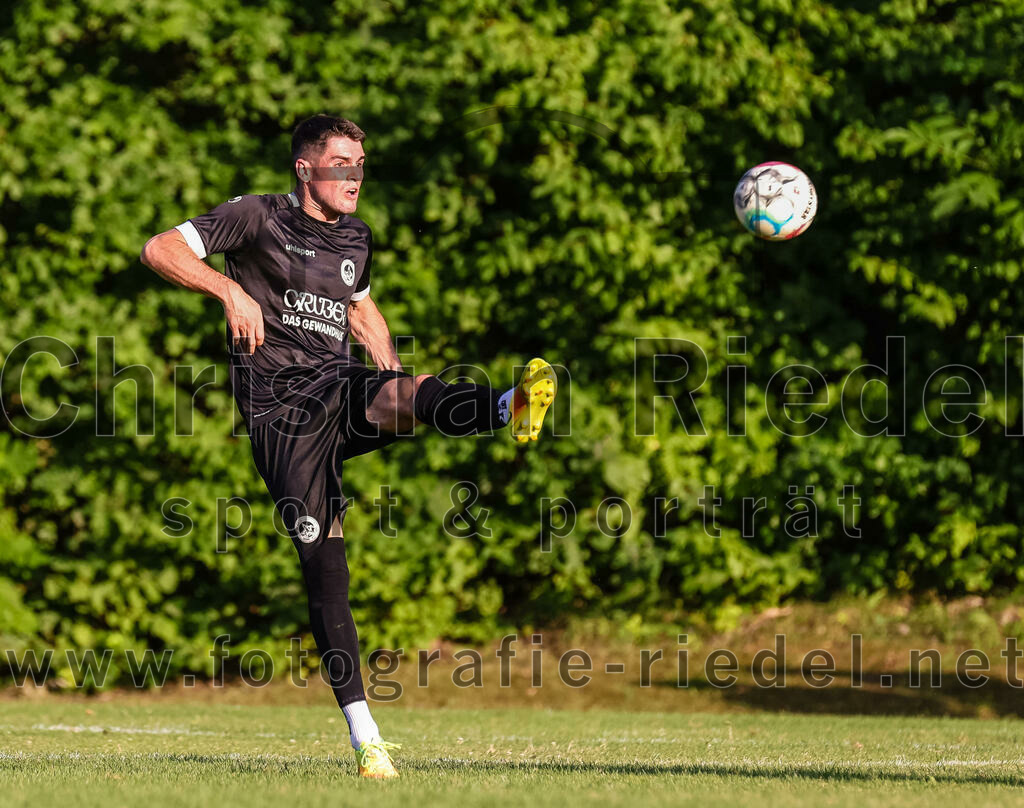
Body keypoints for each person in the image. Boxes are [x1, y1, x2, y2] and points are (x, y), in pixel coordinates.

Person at [140, 114, 556, 779]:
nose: (355, 175)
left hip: (334, 386)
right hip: (281, 414)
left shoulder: (357, 238)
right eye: (341, 162)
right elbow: (160, 248)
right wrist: (228, 291)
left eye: (361, 162)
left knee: (405, 392)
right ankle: (366, 739)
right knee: (325, 566)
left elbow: (361, 310)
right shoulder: (255, 217)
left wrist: (387, 370)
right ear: (305, 169)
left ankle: (508, 406)